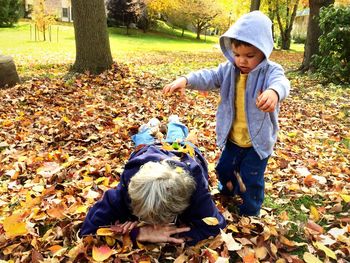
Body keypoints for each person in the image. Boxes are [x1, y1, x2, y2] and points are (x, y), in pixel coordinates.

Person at [163, 11, 290, 216]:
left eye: (250, 56)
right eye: (237, 54)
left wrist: (274, 92)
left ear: (264, 52)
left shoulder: (270, 71)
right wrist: (186, 80)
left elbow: (282, 83)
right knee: (223, 170)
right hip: (233, 138)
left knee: (252, 178)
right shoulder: (229, 69)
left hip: (257, 142)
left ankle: (250, 210)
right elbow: (209, 76)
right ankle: (229, 190)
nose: (242, 61)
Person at [80, 115, 226, 246]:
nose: (154, 225)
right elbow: (88, 231)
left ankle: (174, 122)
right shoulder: (129, 183)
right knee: (143, 139)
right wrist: (140, 233)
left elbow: (215, 226)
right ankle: (149, 127)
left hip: (182, 150)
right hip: (147, 151)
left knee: (178, 137)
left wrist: (168, 235)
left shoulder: (196, 187)